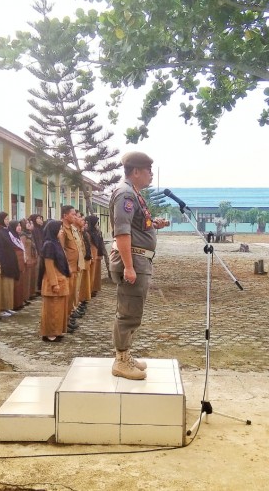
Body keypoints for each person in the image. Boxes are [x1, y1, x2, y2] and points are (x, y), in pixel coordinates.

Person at [109, 151, 168, 380]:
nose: (151, 175)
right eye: (148, 171)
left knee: (132, 310)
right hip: (132, 259)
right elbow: (122, 232)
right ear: (135, 172)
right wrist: (129, 266)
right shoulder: (125, 194)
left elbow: (135, 225)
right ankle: (121, 361)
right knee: (128, 313)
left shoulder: (133, 193)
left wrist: (154, 225)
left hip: (138, 258)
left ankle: (125, 354)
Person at [40, 219, 70, 342]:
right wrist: (54, 283)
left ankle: (57, 331)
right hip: (53, 281)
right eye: (59, 229)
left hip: (60, 279)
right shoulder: (49, 244)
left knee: (58, 309)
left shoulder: (56, 242)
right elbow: (49, 265)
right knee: (52, 309)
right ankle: (50, 333)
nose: (61, 231)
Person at [59, 205, 80, 333]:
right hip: (69, 268)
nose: (75, 216)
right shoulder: (62, 229)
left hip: (74, 267)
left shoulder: (71, 228)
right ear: (65, 215)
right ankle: (63, 322)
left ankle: (67, 320)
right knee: (67, 297)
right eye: (72, 214)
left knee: (71, 296)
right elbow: (62, 250)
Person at [0, 212, 19, 317]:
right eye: (5, 219)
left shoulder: (7, 231)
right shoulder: (0, 232)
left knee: (9, 286)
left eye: (8, 219)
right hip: (5, 262)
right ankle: (2, 307)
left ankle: (8, 306)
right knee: (4, 287)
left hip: (10, 261)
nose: (7, 221)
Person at [8, 220, 27, 310]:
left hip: (21, 262)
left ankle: (19, 302)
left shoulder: (17, 237)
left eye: (20, 225)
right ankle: (15, 304)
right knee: (16, 284)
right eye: (17, 226)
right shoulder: (10, 236)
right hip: (16, 262)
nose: (19, 227)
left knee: (21, 283)